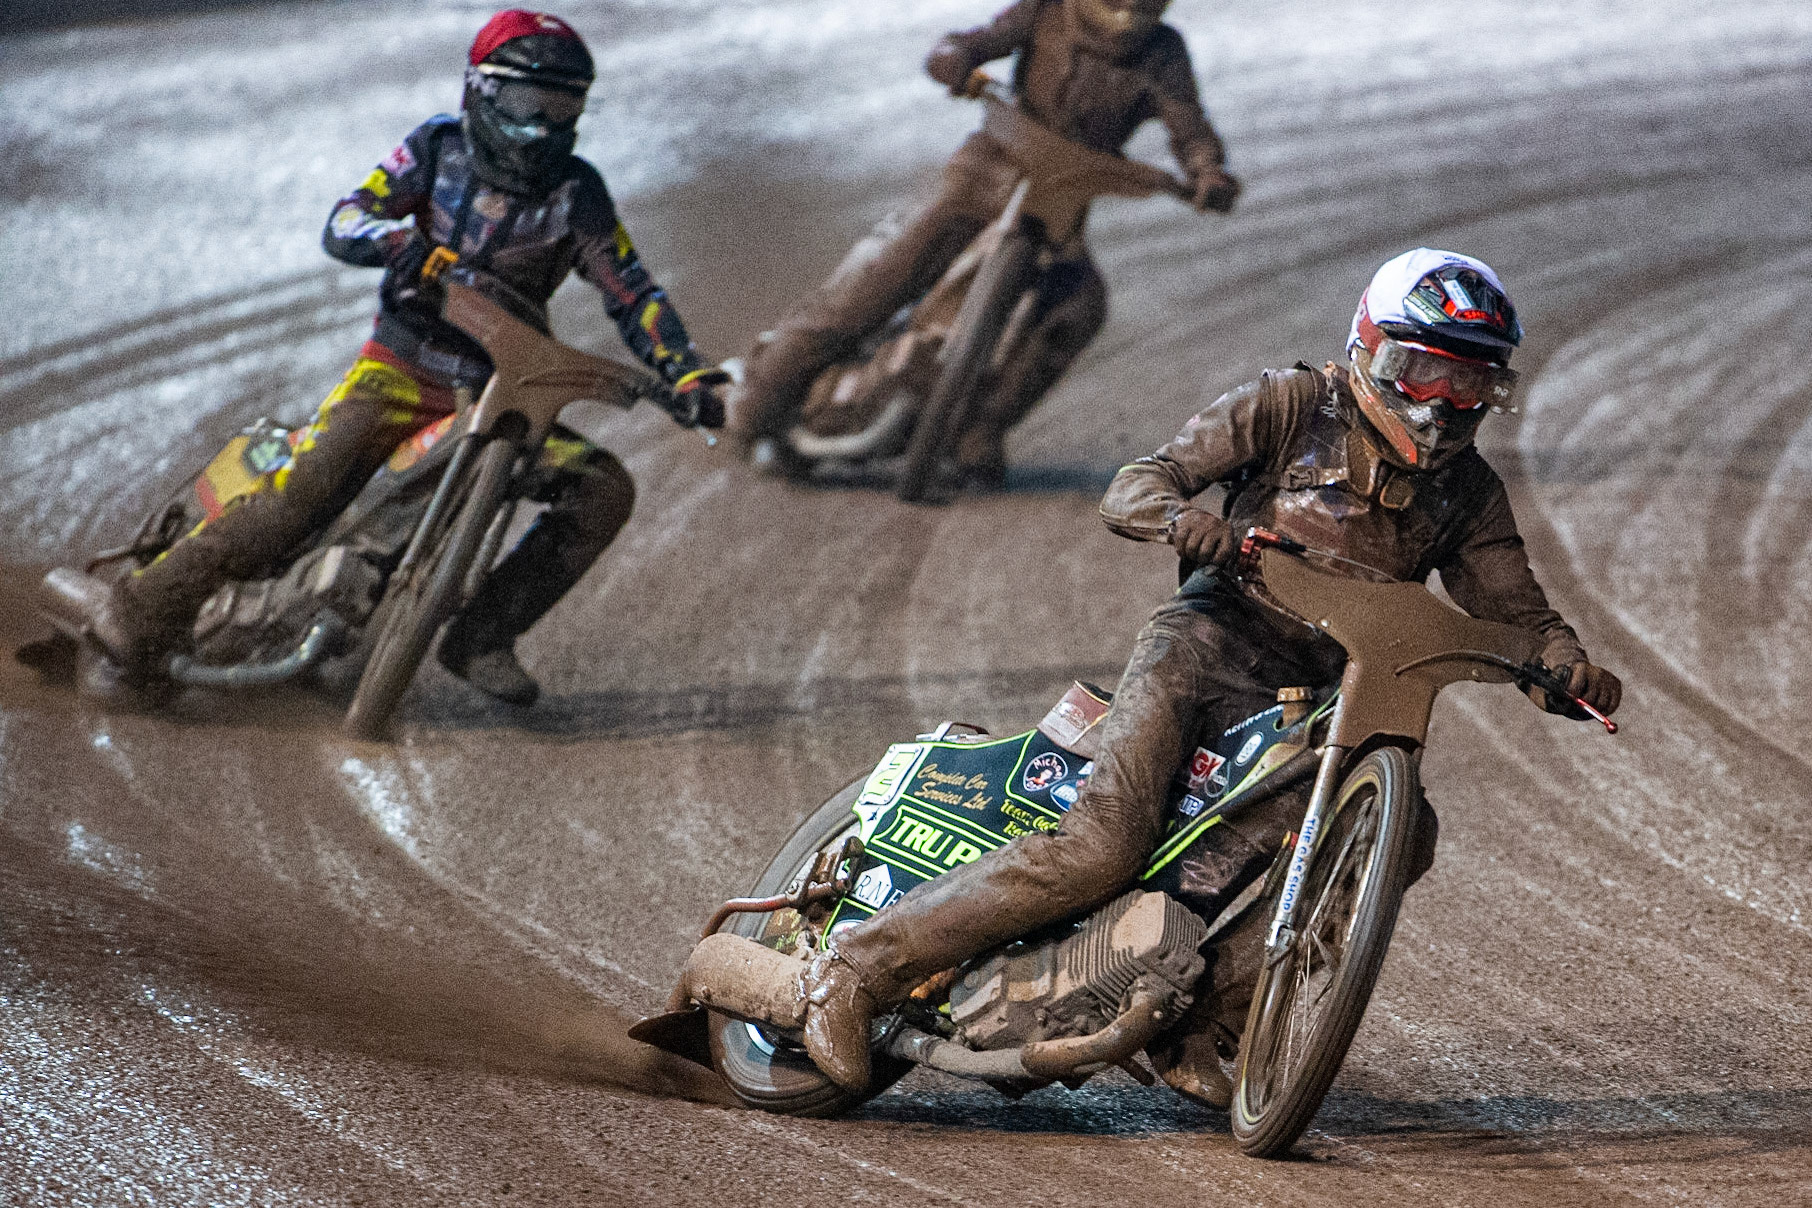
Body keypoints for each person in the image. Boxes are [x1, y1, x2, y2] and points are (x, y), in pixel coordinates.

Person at [788, 248, 1624, 1096]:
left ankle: (1199, 1019)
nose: (1444, 405)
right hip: (1201, 649)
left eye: (1470, 386)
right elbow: (1136, 485)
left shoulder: (1470, 492)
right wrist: (1184, 523)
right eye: (1423, 372)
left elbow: (1520, 615)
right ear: (1369, 349)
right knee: (1101, 849)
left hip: (1318, 704)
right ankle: (853, 971)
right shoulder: (1291, 403)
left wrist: (1564, 668)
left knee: (1401, 833)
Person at [81, 9, 728, 707]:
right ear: (480, 92)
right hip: (397, 372)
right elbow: (345, 219)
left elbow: (631, 290)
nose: (542, 125)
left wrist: (685, 370)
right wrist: (396, 244)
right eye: (524, 103)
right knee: (304, 486)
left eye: (562, 105)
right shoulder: (437, 147)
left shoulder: (580, 194)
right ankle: (142, 609)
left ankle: (482, 635)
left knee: (603, 488)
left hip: (501, 396)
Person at [725, 0, 1239, 486]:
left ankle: (977, 431)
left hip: (1065, 199)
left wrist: (1206, 171)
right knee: (880, 283)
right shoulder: (1046, 10)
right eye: (1118, 4)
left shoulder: (1165, 52)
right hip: (988, 168)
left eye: (1144, 8)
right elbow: (978, 41)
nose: (1128, 18)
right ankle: (758, 406)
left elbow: (1188, 126)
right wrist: (953, 58)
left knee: (1080, 306)